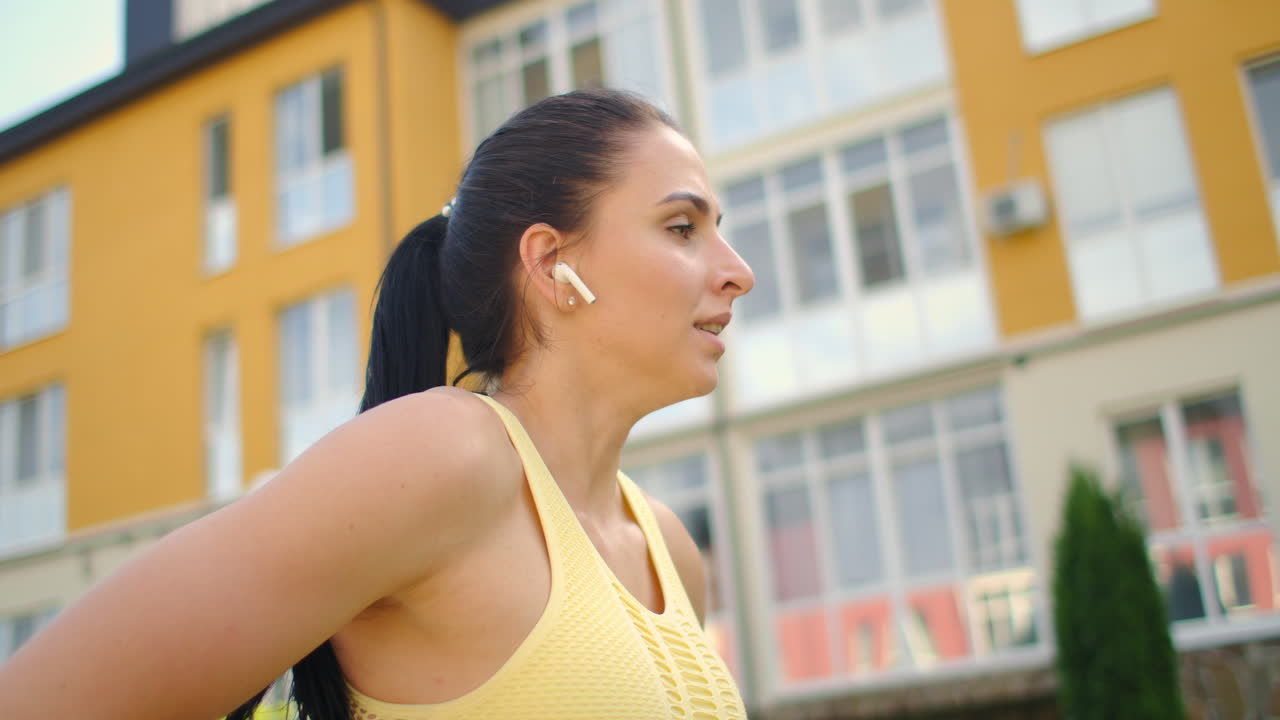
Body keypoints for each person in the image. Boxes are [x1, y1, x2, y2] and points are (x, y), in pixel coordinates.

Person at [0, 88, 754, 719]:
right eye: (682, 227)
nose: (738, 272)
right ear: (552, 263)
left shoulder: (669, 548)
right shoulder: (444, 456)